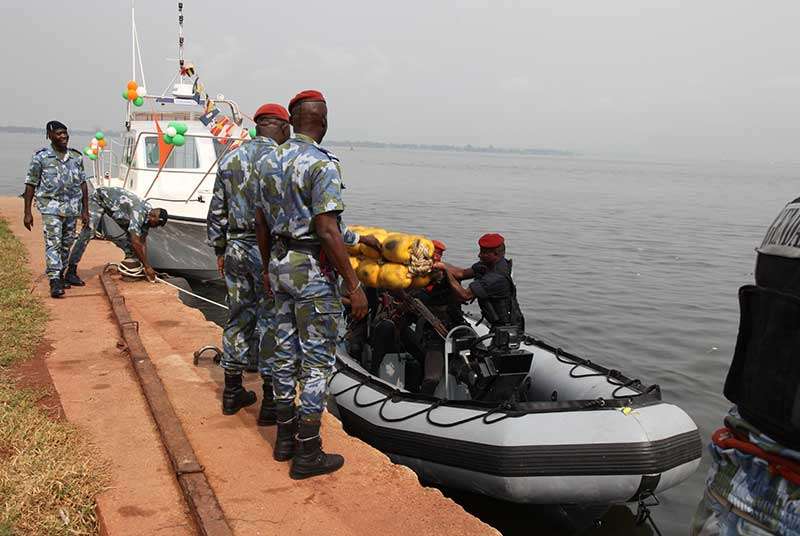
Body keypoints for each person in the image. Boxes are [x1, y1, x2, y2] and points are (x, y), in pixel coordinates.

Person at [255, 89, 369, 479]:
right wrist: (354, 285)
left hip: (279, 265)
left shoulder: (268, 160)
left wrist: (269, 266)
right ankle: (308, 452)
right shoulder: (323, 164)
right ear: (321, 121)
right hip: (310, 272)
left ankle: (284, 440)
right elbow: (326, 229)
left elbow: (260, 222)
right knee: (318, 361)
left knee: (283, 355)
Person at [207, 103, 290, 421]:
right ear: (282, 127)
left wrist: (219, 249)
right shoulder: (283, 159)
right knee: (272, 320)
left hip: (237, 248)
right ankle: (270, 403)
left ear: (257, 125)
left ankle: (231, 392)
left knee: (237, 316)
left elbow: (216, 211)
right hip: (271, 250)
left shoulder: (230, 158)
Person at [23, 121, 89, 298]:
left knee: (66, 243)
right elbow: (30, 184)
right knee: (53, 243)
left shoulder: (76, 157)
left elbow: (83, 184)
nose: (63, 136)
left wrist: (85, 211)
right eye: (59, 133)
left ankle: (60, 273)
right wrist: (27, 212)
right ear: (49, 135)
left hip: (72, 208)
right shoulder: (41, 157)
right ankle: (54, 280)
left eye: (65, 133)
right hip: (50, 207)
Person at [67, 186, 168, 282]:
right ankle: (71, 270)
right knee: (88, 232)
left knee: (133, 237)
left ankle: (131, 267)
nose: (156, 227)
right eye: (157, 224)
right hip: (98, 199)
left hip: (117, 210)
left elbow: (142, 240)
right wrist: (147, 266)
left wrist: (145, 265)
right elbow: (136, 242)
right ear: (153, 217)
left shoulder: (149, 216)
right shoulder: (139, 212)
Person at [434, 233, 524, 332]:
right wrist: (438, 264)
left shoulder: (496, 277)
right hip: (497, 324)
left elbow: (464, 295)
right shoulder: (487, 265)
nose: (479, 255)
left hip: (508, 327)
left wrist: (446, 271)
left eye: (484, 252)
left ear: (496, 254)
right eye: (480, 251)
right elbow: (461, 273)